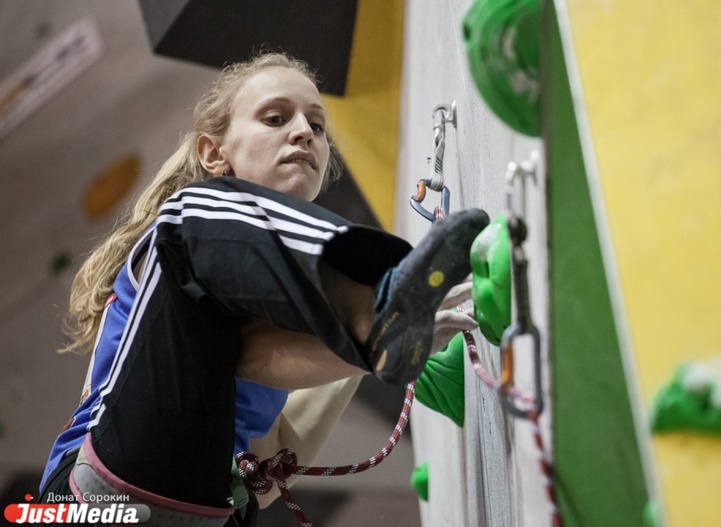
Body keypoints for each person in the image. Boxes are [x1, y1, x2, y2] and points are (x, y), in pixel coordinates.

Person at [39, 52, 488, 524]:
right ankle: (375, 303)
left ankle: (376, 315)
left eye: (318, 126)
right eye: (275, 118)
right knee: (185, 220)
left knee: (356, 332)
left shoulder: (270, 311)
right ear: (214, 154)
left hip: (204, 510)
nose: (304, 132)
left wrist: (374, 349)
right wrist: (374, 308)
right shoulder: (174, 249)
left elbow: (270, 465)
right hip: (89, 498)